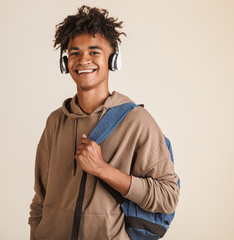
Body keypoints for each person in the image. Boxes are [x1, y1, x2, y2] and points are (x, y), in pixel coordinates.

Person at [28, 5, 179, 240]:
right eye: (75, 53)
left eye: (94, 52)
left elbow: (168, 196)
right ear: (65, 60)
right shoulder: (56, 121)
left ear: (113, 58)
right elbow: (40, 201)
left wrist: (102, 169)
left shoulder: (137, 122)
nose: (83, 60)